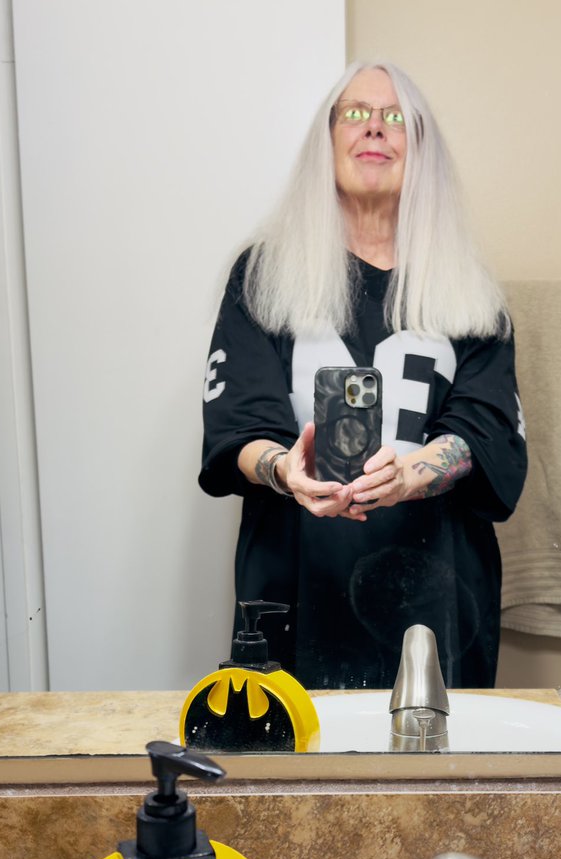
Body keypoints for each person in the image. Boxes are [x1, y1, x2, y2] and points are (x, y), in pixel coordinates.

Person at [199, 61, 526, 689]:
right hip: (292, 587)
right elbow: (236, 425)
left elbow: (488, 437)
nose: (374, 128)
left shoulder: (470, 290)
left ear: (422, 150)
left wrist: (412, 474)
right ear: (324, 143)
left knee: (432, 782)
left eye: (395, 118)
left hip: (440, 597)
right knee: (293, 779)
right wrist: (284, 469)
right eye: (354, 114)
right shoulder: (263, 275)